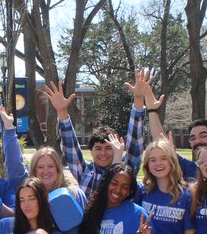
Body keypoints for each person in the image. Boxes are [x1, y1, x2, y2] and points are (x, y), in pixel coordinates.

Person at [42, 69, 149, 198]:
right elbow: (70, 145)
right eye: (98, 148)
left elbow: (135, 141)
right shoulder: (84, 170)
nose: (103, 153)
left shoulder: (126, 169)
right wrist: (61, 112)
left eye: (108, 148)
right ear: (91, 151)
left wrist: (138, 99)